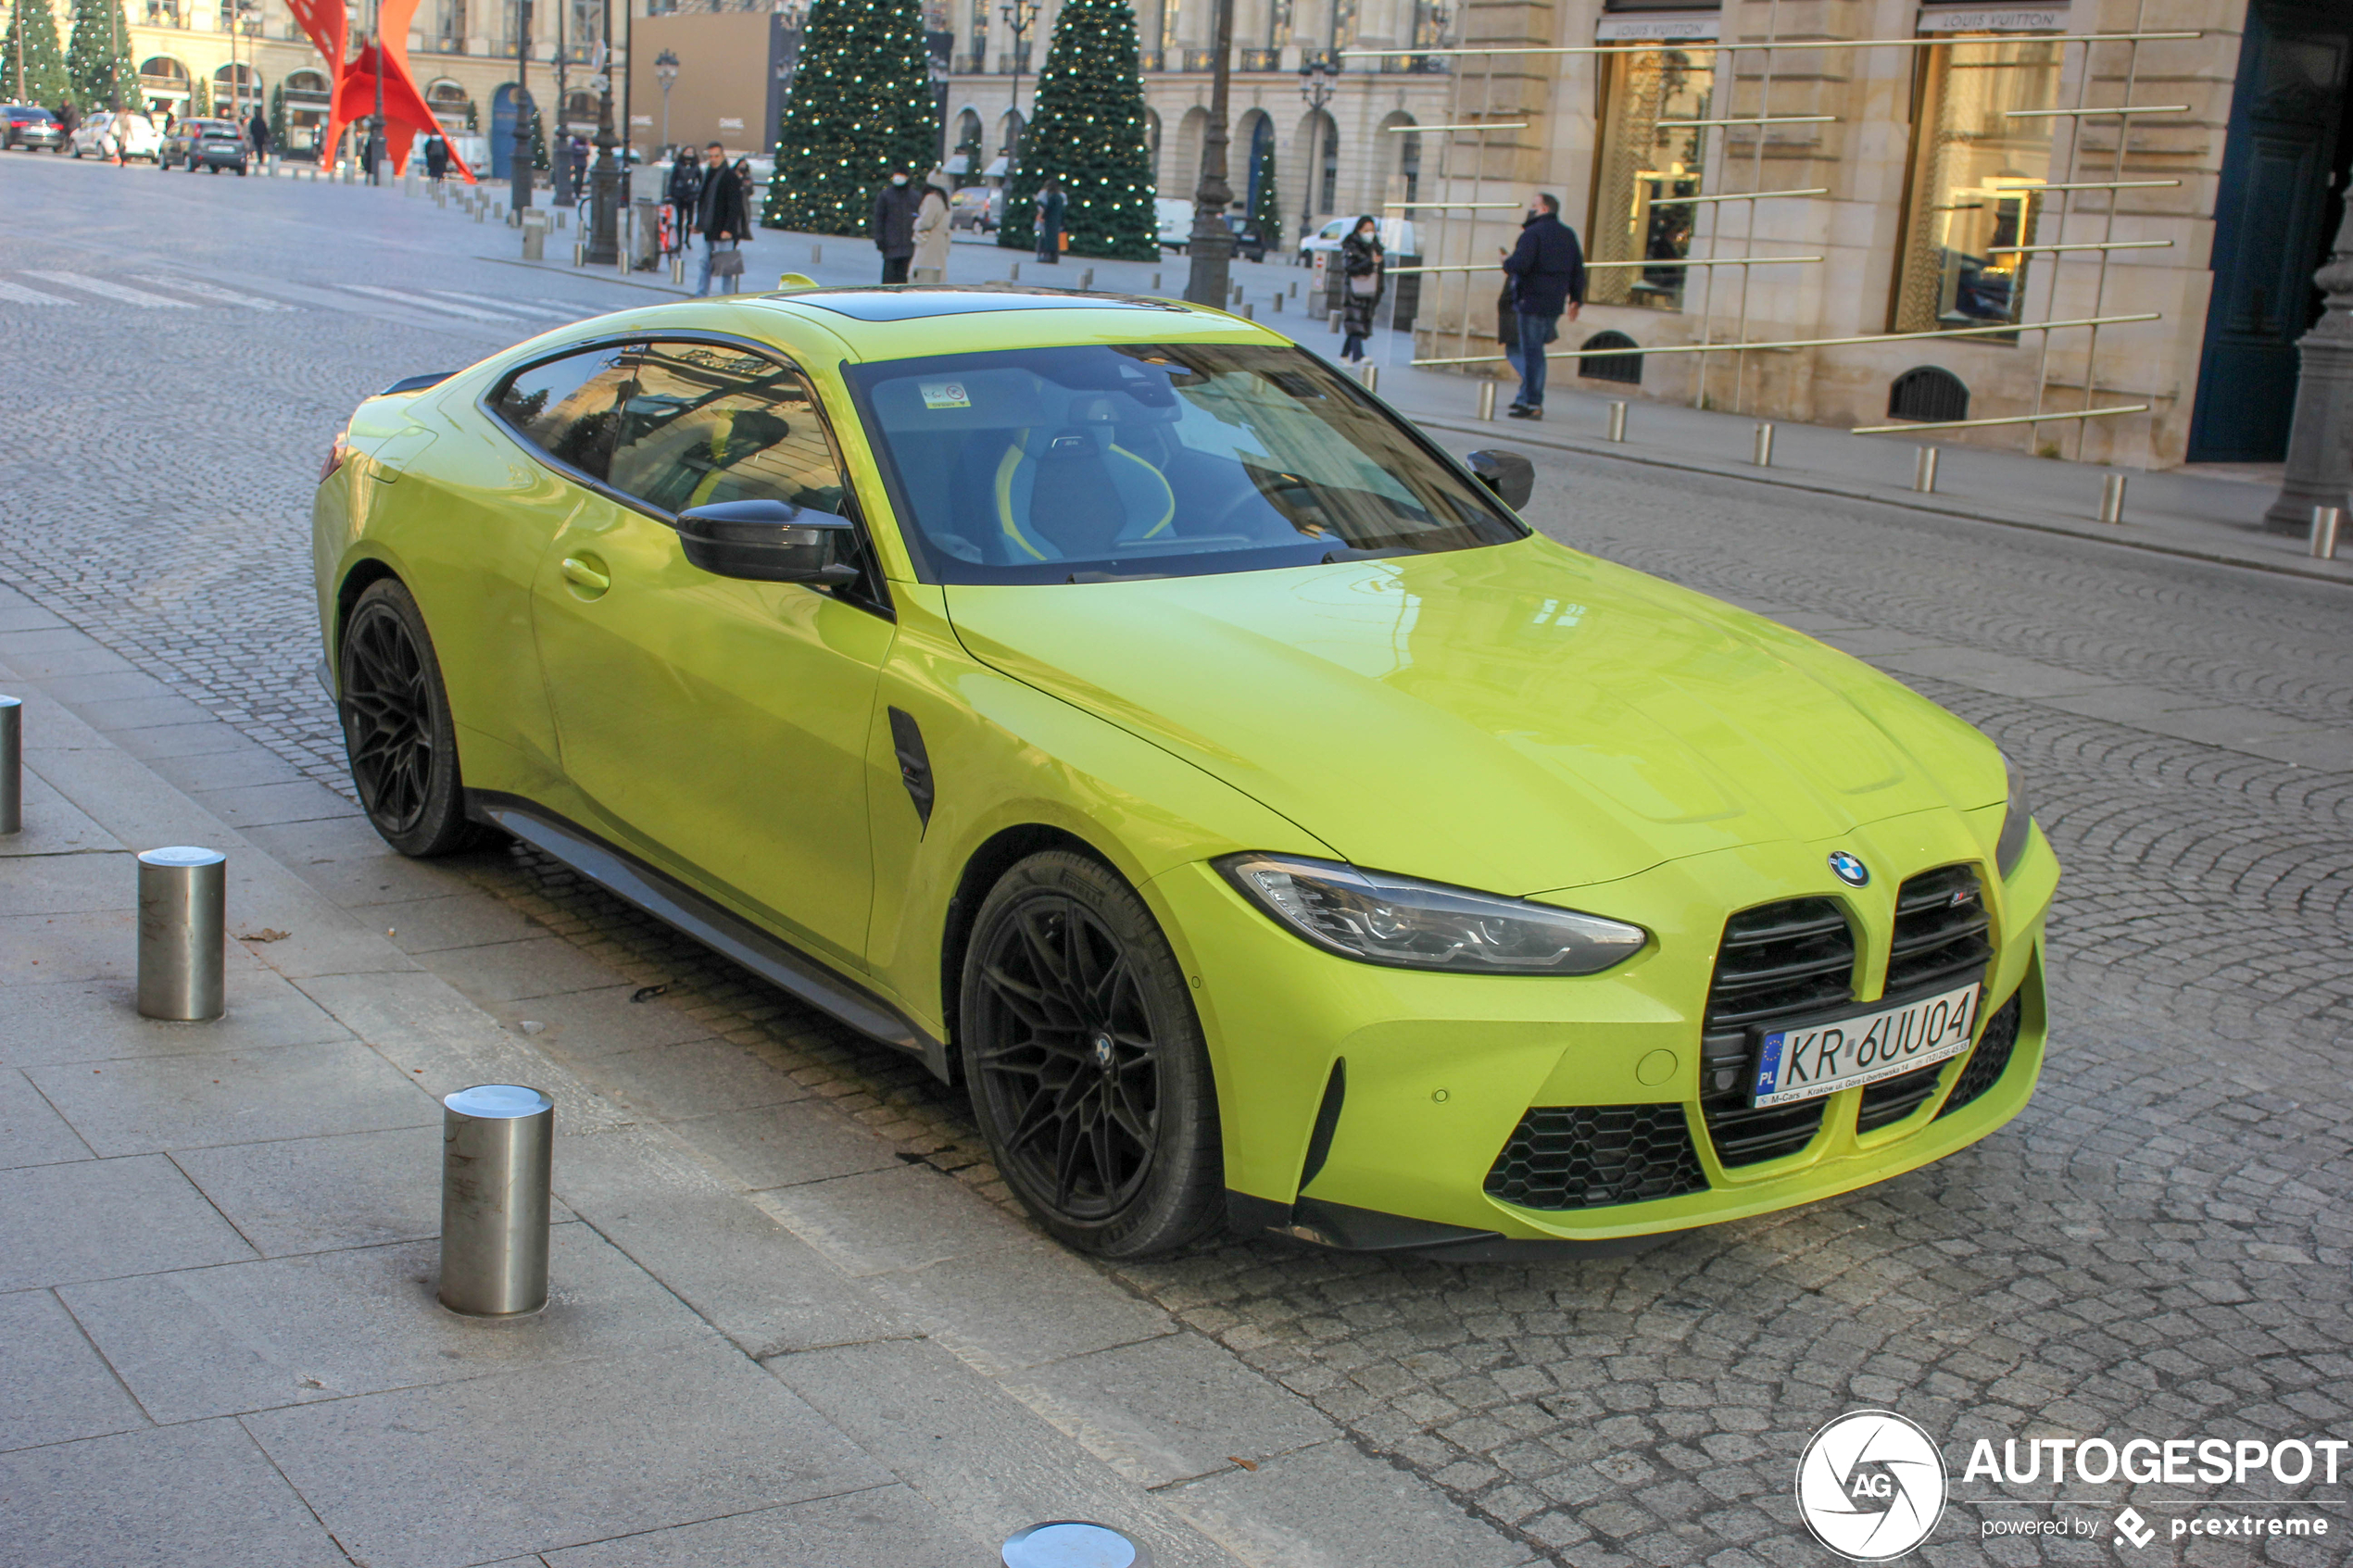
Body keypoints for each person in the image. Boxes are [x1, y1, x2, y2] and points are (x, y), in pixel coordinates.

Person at [1498, 191, 1585, 420]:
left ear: (1544, 209)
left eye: (1534, 205)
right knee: (1534, 351)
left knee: (1532, 353)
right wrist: (1576, 298)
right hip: (1554, 302)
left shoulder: (1532, 234)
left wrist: (1507, 262)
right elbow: (1578, 269)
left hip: (1531, 300)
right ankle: (1525, 398)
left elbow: (1521, 264)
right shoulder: (1568, 234)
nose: (1531, 209)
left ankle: (1532, 402)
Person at [692, 140, 749, 296]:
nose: (713, 159)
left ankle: (727, 296)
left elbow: (735, 206)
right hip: (710, 227)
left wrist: (729, 228)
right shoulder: (708, 174)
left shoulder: (730, 176)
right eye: (710, 156)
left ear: (723, 155)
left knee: (726, 267)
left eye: (716, 156)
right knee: (704, 262)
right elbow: (704, 202)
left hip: (724, 228)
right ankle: (701, 294)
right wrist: (699, 225)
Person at [1338, 216, 1383, 362]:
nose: (1370, 233)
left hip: (1369, 289)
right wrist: (1369, 261)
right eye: (1366, 230)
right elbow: (1350, 267)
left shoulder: (1375, 246)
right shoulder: (1351, 245)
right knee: (1356, 324)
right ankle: (1359, 355)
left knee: (1358, 324)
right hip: (1354, 290)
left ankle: (1344, 355)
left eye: (1372, 230)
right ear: (1359, 230)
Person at [871, 168, 920, 283]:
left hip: (908, 247)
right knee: (889, 281)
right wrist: (879, 239)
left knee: (904, 281)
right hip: (891, 246)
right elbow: (879, 218)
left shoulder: (915, 197)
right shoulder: (885, 195)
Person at [910, 167, 952, 284]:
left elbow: (926, 222)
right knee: (936, 275)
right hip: (940, 241)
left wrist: (916, 224)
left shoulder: (931, 198)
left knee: (921, 275)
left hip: (929, 241)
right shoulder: (944, 200)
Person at [664, 144, 703, 258]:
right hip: (679, 194)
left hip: (691, 195)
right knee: (680, 219)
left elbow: (701, 180)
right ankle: (679, 241)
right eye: (687, 152)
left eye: (691, 152)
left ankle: (687, 240)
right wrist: (670, 193)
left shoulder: (696, 166)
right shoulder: (678, 165)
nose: (689, 155)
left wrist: (697, 191)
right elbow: (672, 180)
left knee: (690, 220)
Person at [1033, 176, 1064, 264]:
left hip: (1050, 220)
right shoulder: (1059, 197)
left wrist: (1038, 203)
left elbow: (1048, 208)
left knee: (1049, 239)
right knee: (1054, 239)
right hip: (1057, 220)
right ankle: (1054, 257)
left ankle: (1049, 257)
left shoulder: (1052, 197)